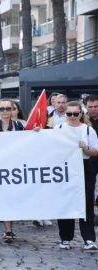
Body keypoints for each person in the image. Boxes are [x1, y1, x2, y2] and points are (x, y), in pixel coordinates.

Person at [55, 101, 98, 251]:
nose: (72, 116)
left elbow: (95, 151)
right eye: (69, 113)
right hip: (65, 169)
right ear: (65, 114)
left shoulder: (88, 130)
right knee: (66, 202)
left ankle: (89, 239)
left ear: (81, 113)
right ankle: (65, 238)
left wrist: (85, 148)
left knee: (86, 203)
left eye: (75, 113)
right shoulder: (59, 129)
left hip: (84, 167)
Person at [0, 98, 25, 243]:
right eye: (2, 109)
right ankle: (8, 230)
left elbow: (27, 143)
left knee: (13, 199)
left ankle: (10, 228)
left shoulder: (19, 126)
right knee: (4, 199)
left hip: (15, 169)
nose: (5, 112)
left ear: (13, 110)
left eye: (8, 109)